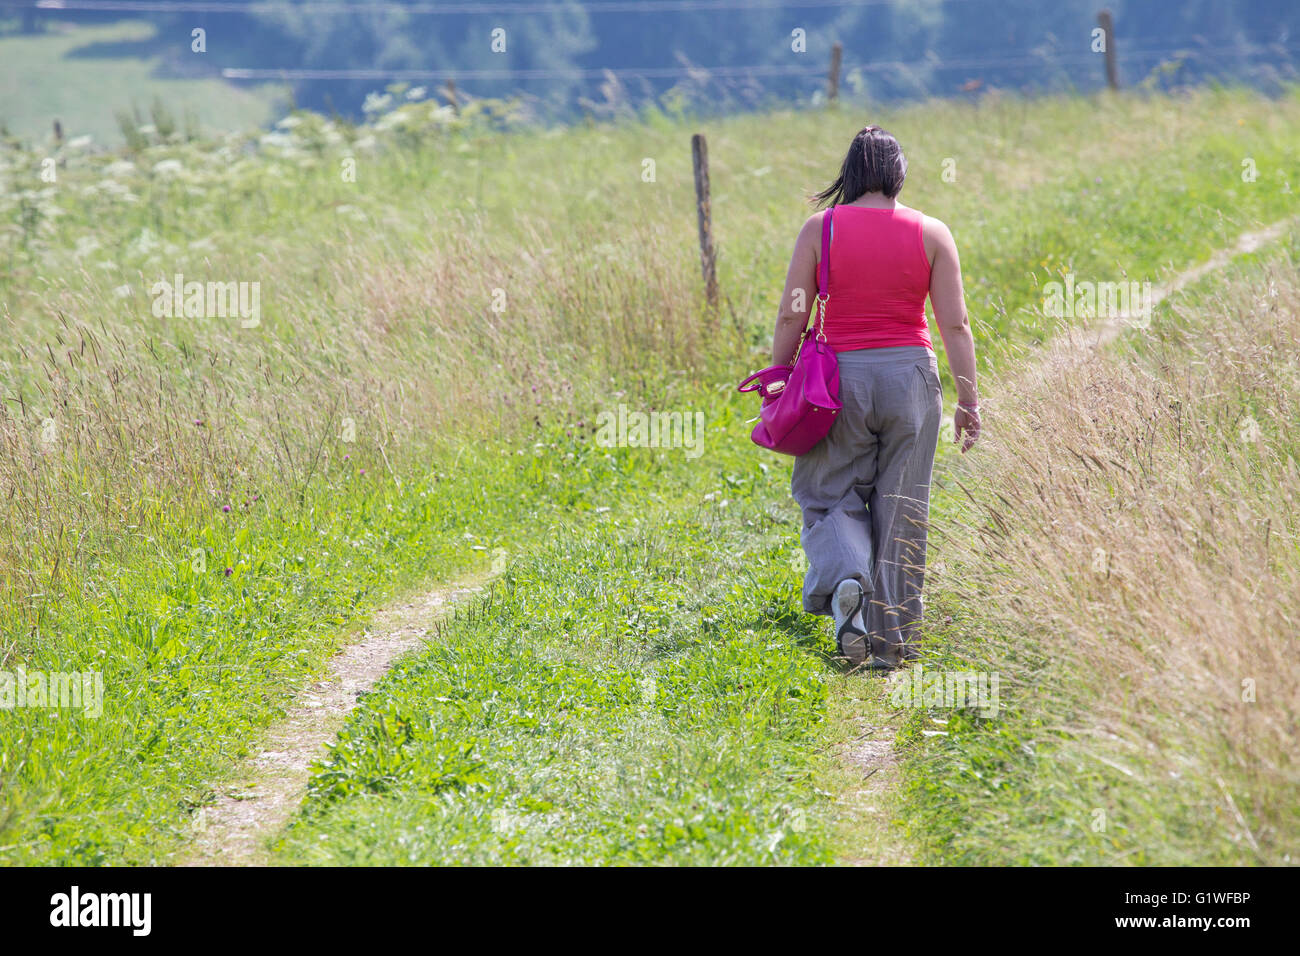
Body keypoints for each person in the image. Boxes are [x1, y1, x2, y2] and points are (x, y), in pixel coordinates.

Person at [772, 125, 980, 668]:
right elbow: (954, 325)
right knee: (904, 506)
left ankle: (846, 581)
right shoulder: (933, 233)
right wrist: (969, 400)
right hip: (911, 379)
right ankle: (893, 644)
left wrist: (778, 374)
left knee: (829, 494)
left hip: (839, 381)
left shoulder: (823, 229)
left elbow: (794, 309)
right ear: (899, 175)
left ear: (852, 172)